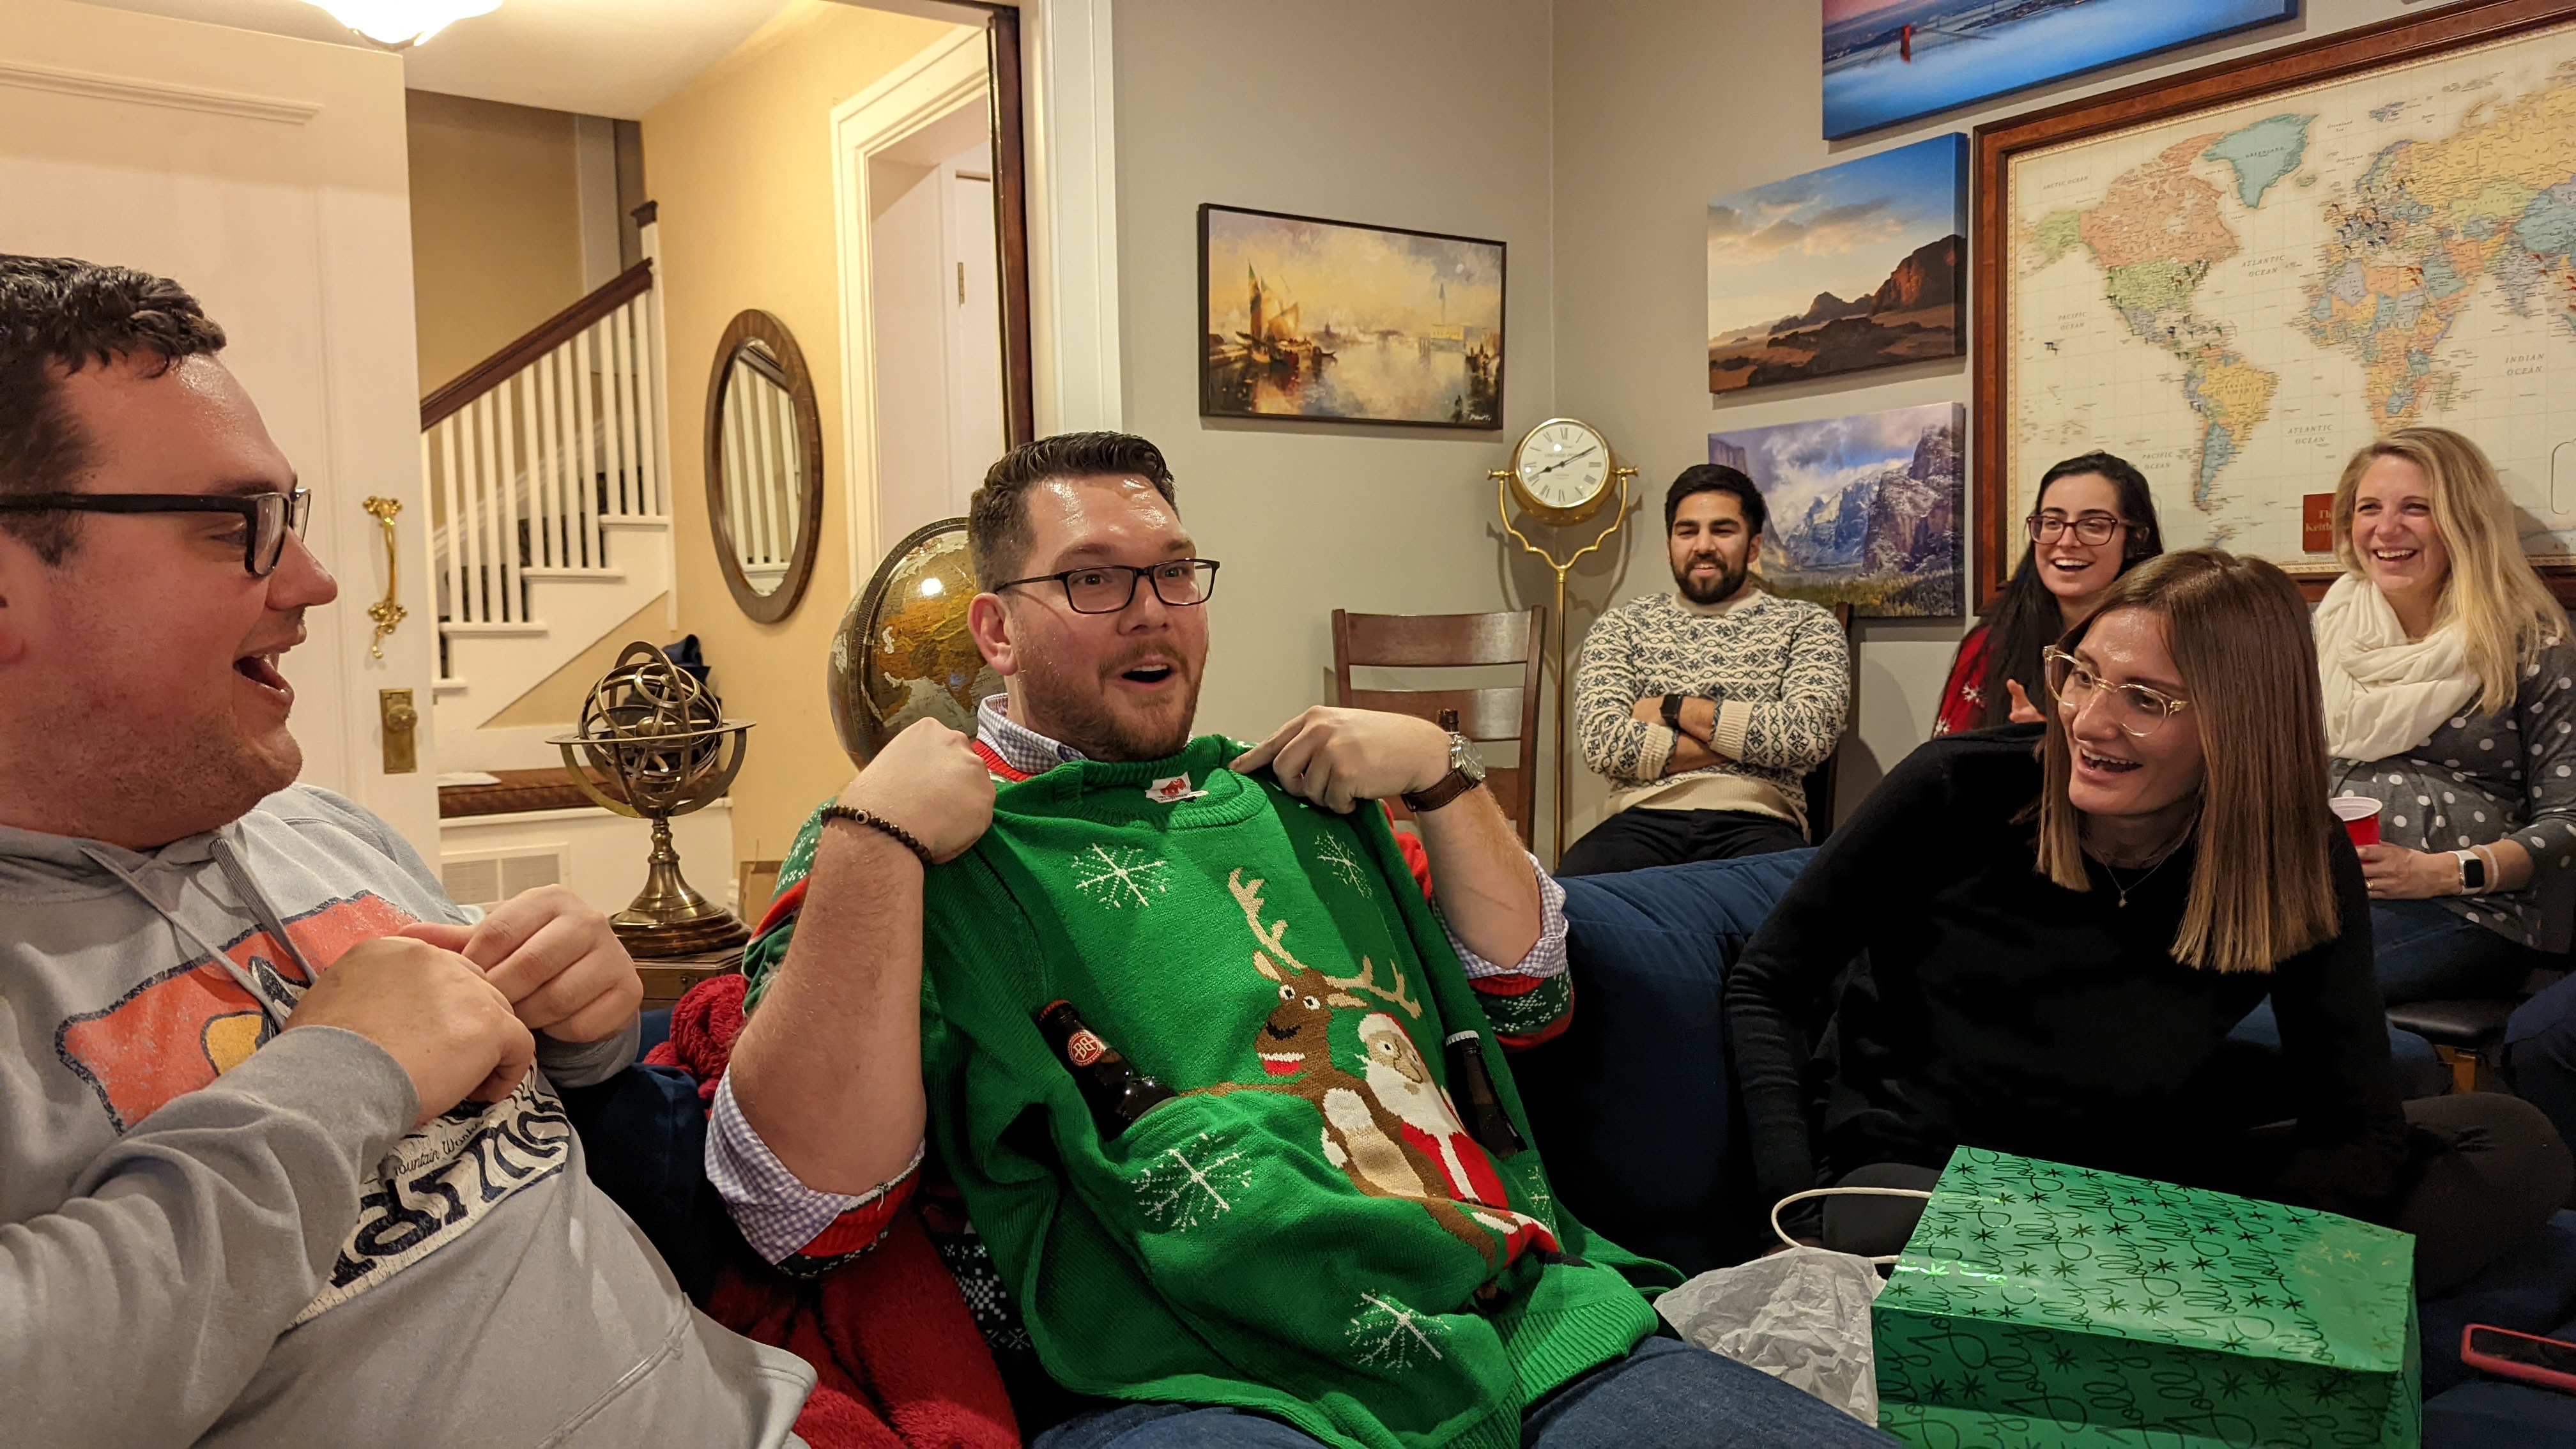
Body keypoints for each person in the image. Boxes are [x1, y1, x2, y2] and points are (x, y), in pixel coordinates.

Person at [714, 433, 1893, 1448]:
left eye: (1174, 571)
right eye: (1093, 579)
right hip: (1204, 1372)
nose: (1151, 608)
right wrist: (871, 842)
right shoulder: (907, 843)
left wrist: (1444, 774)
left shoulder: (1293, 798)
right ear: (996, 629)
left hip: (1530, 1323)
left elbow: (1528, 1001)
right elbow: (797, 1208)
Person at [0, 256, 814, 1445]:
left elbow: (554, 1149)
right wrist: (345, 1072)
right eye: (235, 527)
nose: (317, 581)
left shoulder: (332, 835)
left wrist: (577, 1037)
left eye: (292, 516)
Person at [1726, 549, 2570, 1297]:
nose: (2091, 720)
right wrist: (1791, 1215)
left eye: (2146, 699)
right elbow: (1766, 984)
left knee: (2509, 1146)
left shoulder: (2292, 855)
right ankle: (2169, 1299)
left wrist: (2291, 1242)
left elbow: (2355, 1124)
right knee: (1920, 1239)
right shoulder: (1957, 790)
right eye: (2082, 673)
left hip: (2125, 1174)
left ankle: (2160, 1301)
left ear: (2240, 725)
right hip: (1921, 1176)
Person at [2312, 427, 2576, 1004]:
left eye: (2417, 508)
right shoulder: (2322, 631)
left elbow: (2568, 820)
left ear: (2467, 520)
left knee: (2296, 992)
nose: (2386, 530)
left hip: (2466, 910)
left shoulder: (2530, 643)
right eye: (2369, 508)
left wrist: (2442, 872)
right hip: (2314, 889)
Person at [1559, 464, 1848, 875]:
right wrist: (1748, 742)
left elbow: (1807, 736)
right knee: (1572, 898)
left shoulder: (1807, 625)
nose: (1704, 545)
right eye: (1687, 531)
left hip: (1757, 820)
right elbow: (1604, 745)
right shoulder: (1622, 626)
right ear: (1670, 545)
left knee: (1794, 903)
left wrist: (1672, 708)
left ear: (1753, 546)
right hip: (1640, 821)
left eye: (1723, 530)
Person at [1933, 450, 2163, 736]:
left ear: (2135, 540)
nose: (2066, 542)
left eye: (2093, 525)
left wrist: (2050, 743)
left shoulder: (2165, 643)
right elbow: (1948, 757)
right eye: (2053, 523)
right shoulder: (1992, 645)